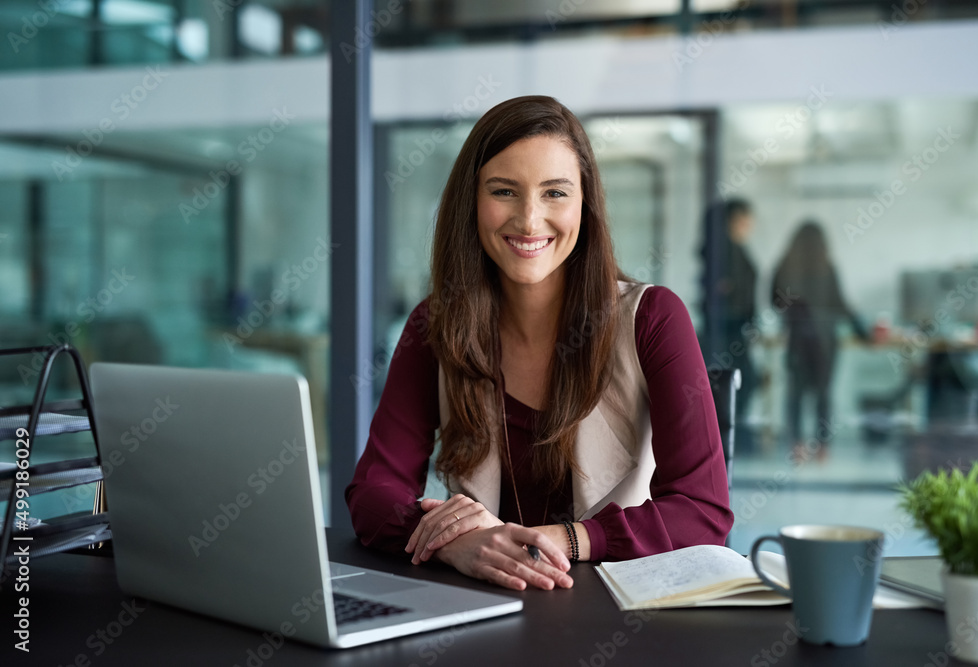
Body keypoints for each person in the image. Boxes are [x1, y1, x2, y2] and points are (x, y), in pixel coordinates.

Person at [346, 95, 733, 592]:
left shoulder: (652, 318)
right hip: (484, 603)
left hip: (614, 606)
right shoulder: (435, 323)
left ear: (584, 205)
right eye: (504, 191)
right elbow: (373, 494)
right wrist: (452, 542)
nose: (529, 221)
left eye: (554, 193)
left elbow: (703, 512)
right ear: (472, 202)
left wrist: (556, 541)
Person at [771, 221, 867, 461]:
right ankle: (822, 448)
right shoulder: (826, 267)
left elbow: (774, 301)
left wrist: (794, 313)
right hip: (825, 341)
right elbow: (840, 304)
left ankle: (797, 446)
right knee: (823, 394)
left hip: (797, 340)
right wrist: (862, 330)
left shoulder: (785, 267)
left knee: (796, 393)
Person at [699, 199, 758, 453]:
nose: (747, 227)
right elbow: (723, 293)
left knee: (739, 382)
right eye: (743, 221)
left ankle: (728, 435)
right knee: (740, 381)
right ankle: (725, 437)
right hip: (727, 328)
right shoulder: (724, 254)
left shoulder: (734, 251)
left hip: (735, 327)